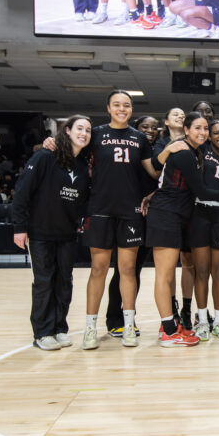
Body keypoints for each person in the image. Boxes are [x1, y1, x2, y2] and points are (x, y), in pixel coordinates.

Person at [66, 90, 178, 350]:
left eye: (126, 105)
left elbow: (152, 170)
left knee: (127, 270)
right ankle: (91, 329)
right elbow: (73, 151)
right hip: (101, 209)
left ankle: (128, 325)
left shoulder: (139, 138)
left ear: (131, 109)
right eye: (116, 104)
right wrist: (51, 142)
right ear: (108, 108)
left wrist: (171, 153)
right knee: (98, 270)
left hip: (130, 211)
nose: (121, 108)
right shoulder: (96, 134)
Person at [145, 112, 219, 347]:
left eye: (206, 128)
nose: (203, 133)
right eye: (198, 128)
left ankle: (173, 328)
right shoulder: (184, 152)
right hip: (166, 213)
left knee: (173, 275)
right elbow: (201, 191)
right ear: (186, 129)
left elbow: (159, 169)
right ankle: (168, 331)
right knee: (164, 276)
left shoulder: (193, 151)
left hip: (177, 215)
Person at [12, 116, 92, 350]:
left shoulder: (81, 166)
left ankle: (59, 328)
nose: (84, 133)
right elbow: (22, 193)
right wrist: (20, 228)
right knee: (44, 282)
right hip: (40, 233)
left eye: (87, 130)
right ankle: (42, 333)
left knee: (64, 283)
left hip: (67, 234)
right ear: (67, 131)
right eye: (79, 128)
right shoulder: (45, 156)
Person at [105, 116, 159, 337]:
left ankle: (128, 316)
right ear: (135, 130)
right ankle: (114, 318)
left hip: (151, 217)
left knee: (134, 270)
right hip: (127, 214)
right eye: (145, 127)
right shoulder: (131, 149)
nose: (149, 130)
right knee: (123, 270)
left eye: (154, 128)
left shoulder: (159, 152)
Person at [188, 120, 219, 340]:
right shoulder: (201, 151)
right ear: (209, 136)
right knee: (201, 271)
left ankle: (218, 321)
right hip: (200, 214)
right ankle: (201, 320)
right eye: (215, 132)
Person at [153, 107, 196, 329]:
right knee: (166, 268)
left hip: (188, 210)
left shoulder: (196, 143)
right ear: (167, 122)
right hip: (167, 209)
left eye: (183, 114)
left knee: (188, 263)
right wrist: (170, 149)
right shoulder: (162, 144)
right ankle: (170, 315)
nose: (180, 116)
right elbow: (155, 169)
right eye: (175, 114)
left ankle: (187, 310)